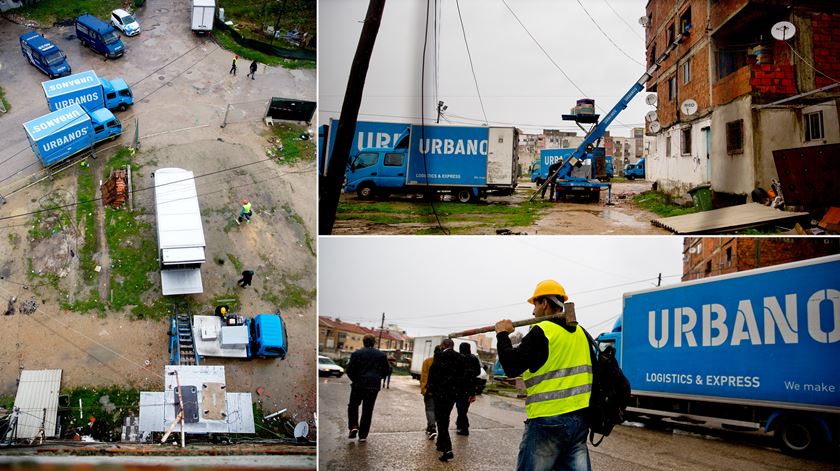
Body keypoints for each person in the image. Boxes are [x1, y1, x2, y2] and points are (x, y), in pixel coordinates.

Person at [495, 280, 593, 471]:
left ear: (545, 304)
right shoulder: (582, 334)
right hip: (579, 420)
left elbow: (512, 367)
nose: (533, 312)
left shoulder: (544, 331)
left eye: (535, 305)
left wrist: (502, 335)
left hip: (548, 421)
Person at [346, 334, 390, 442]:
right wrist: (378, 378)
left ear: (363, 342)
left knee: (353, 406)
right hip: (373, 387)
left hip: (358, 385)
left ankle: (353, 426)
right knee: (368, 410)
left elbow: (350, 370)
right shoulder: (381, 355)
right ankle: (363, 435)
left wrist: (355, 379)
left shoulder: (356, 354)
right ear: (374, 342)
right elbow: (387, 371)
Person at [428, 338, 466, 462]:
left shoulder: (439, 356)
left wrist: (431, 390)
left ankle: (448, 449)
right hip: (452, 394)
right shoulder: (460, 357)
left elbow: (432, 373)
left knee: (441, 421)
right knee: (445, 417)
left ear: (443, 346)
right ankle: (440, 444)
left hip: (440, 394)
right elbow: (463, 376)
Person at [455, 343, 481, 436]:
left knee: (461, 408)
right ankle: (460, 424)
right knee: (463, 408)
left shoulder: (459, 358)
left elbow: (455, 372)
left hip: (459, 387)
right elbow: (478, 372)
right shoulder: (474, 358)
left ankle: (464, 428)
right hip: (470, 387)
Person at [419, 346, 440, 440]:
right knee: (435, 410)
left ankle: (432, 428)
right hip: (441, 391)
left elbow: (424, 376)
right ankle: (429, 426)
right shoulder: (445, 362)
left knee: (430, 409)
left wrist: (424, 389)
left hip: (430, 389)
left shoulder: (428, 361)